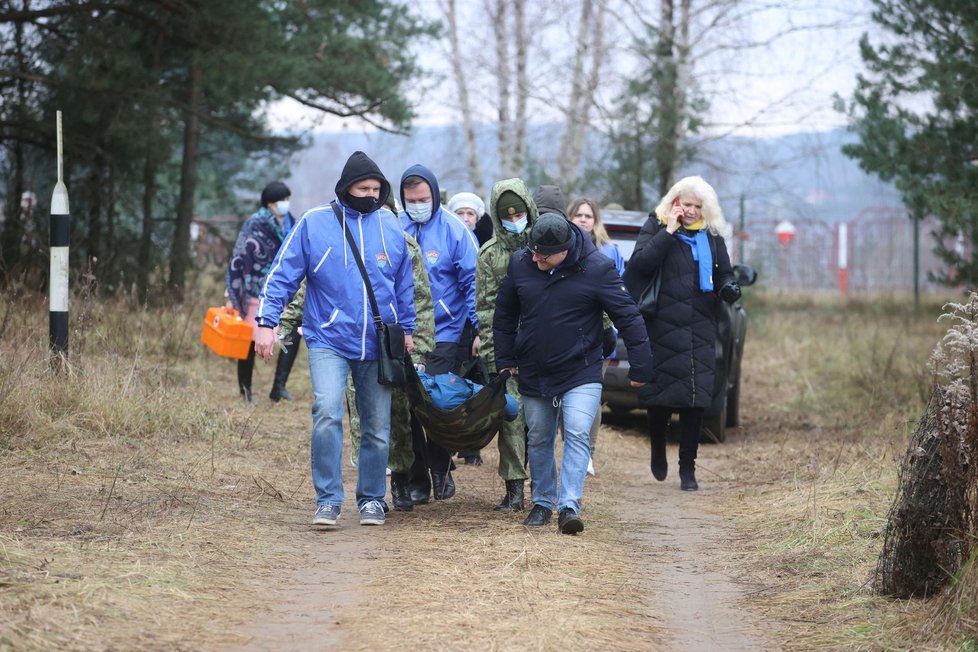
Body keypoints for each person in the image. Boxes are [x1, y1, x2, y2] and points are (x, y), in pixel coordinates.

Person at [254, 151, 416, 527]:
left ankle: (373, 498)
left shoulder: (390, 226)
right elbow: (282, 275)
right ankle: (328, 499)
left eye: (377, 189)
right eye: (364, 188)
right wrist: (267, 321)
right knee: (327, 411)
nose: (371, 194)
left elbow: (403, 283)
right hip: (328, 338)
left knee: (377, 425)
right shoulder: (314, 223)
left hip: (377, 344)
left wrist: (407, 330)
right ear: (346, 188)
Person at [493, 213, 652, 534]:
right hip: (535, 368)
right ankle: (541, 502)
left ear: (565, 251)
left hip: (581, 368)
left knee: (578, 431)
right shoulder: (521, 263)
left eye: (544, 255)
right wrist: (505, 356)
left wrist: (641, 364)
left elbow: (629, 317)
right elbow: (505, 313)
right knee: (538, 437)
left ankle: (568, 506)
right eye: (532, 251)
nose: (535, 258)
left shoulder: (597, 269)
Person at [624, 176, 741, 491]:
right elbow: (640, 265)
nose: (690, 211)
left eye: (696, 206)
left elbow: (724, 272)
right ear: (674, 202)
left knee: (696, 400)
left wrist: (728, 286)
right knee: (660, 396)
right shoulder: (656, 225)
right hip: (661, 324)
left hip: (701, 326)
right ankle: (658, 446)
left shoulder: (711, 235)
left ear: (706, 209)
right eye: (684, 204)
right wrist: (669, 231)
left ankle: (687, 470)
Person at [398, 165, 480, 503]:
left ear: (434, 194)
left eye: (423, 199)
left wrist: (478, 330)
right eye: (411, 200)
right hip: (404, 333)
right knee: (408, 406)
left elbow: (474, 283)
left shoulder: (455, 230)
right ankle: (417, 477)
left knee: (438, 404)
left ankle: (440, 467)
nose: (417, 205)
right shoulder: (394, 227)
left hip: (445, 333)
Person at [476, 179, 538, 512]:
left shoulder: (546, 243)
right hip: (508, 350)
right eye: (507, 214)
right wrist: (493, 357)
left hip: (545, 346)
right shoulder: (489, 255)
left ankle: (543, 486)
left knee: (539, 422)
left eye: (519, 212)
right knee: (512, 419)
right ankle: (515, 489)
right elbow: (485, 308)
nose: (515, 218)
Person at [225, 181, 302, 403]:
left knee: (290, 337)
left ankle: (279, 386)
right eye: (282, 200)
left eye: (287, 199)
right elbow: (240, 256)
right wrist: (233, 291)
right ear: (269, 203)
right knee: (250, 340)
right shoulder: (254, 224)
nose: (286, 203)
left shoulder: (293, 223)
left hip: (285, 291)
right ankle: (246, 390)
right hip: (255, 292)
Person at [568, 197, 626, 475]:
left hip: (600, 338)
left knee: (591, 394)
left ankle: (588, 452)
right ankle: (572, 448)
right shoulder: (561, 250)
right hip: (567, 337)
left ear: (596, 221)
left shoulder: (611, 253)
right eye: (577, 214)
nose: (582, 219)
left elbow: (620, 294)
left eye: (587, 215)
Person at [446, 190, 491, 466]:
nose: (465, 219)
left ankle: (471, 446)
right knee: (450, 384)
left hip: (473, 327)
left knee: (475, 385)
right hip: (452, 326)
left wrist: (479, 332)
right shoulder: (449, 241)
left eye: (470, 214)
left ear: (478, 217)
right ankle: (447, 445)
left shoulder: (485, 246)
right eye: (460, 213)